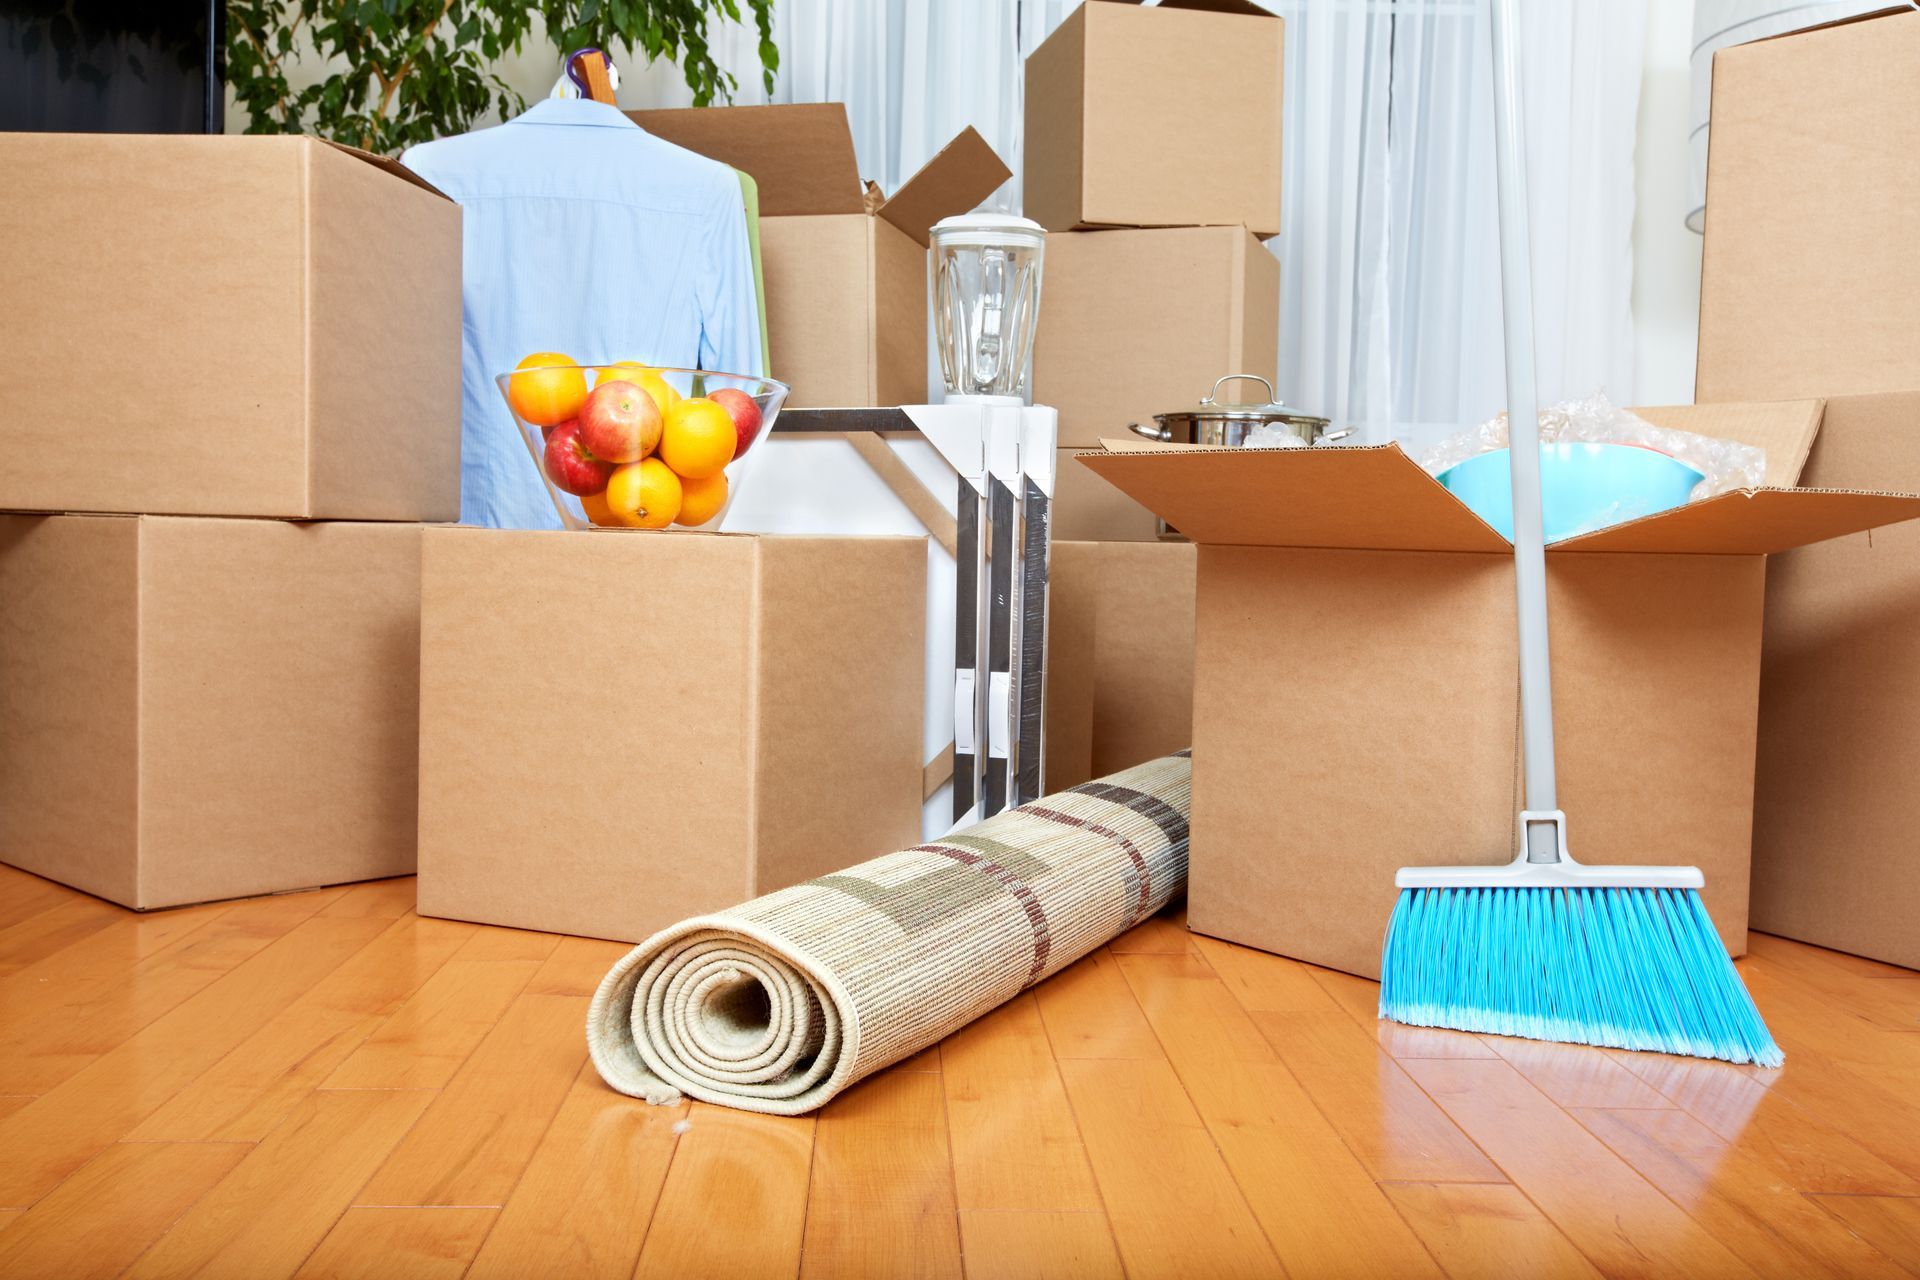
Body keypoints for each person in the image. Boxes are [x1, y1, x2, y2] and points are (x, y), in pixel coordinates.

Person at [403, 95, 763, 529]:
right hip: (633, 512)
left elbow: (403, 359)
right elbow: (740, 393)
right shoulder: (706, 189)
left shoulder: (430, 172)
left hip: (468, 518)